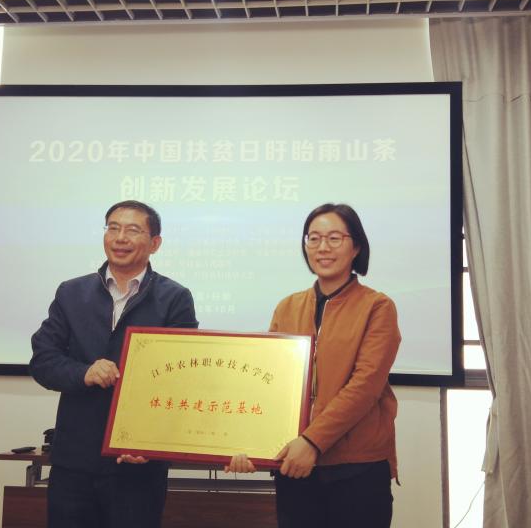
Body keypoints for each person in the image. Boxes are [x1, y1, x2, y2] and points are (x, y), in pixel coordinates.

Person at [225, 203, 401, 528]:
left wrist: (312, 442)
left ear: (356, 247)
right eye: (314, 238)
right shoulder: (288, 306)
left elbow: (365, 387)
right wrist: (250, 445)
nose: (323, 247)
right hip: (295, 466)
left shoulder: (377, 307)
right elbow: (270, 383)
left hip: (356, 468)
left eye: (334, 238)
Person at [30, 200, 197, 528]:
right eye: (113, 228)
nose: (120, 237)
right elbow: (43, 361)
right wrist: (84, 373)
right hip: (74, 462)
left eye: (133, 230)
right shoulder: (71, 292)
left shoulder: (174, 298)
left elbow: (182, 378)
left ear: (155, 243)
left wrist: (149, 442)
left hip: (138, 463)